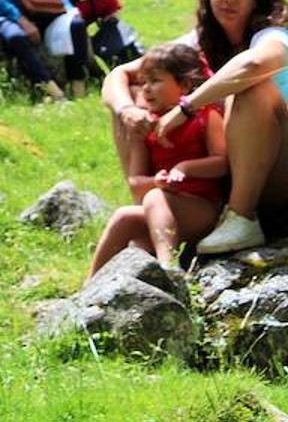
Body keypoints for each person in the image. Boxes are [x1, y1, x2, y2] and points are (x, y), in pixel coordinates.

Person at [103, 0, 288, 254]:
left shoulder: (274, 35)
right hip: (215, 175)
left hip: (282, 169)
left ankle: (242, 217)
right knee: (138, 92)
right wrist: (128, 111)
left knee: (251, 88)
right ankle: (152, 201)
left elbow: (252, 64)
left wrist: (186, 107)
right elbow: (119, 75)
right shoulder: (200, 41)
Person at [88, 43, 226, 277]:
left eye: (155, 81)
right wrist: (157, 182)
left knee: (154, 198)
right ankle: (89, 288)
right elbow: (135, 182)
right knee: (124, 216)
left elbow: (223, 163)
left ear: (184, 85)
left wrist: (185, 168)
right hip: (160, 212)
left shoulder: (206, 115)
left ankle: (169, 267)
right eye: (142, 83)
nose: (146, 90)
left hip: (202, 210)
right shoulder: (145, 127)